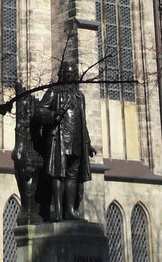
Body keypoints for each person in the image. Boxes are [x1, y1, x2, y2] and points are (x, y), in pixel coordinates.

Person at [40, 60, 96, 221]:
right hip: (59, 140)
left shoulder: (79, 96)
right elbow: (40, 112)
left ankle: (70, 210)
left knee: (72, 175)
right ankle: (57, 209)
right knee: (58, 173)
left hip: (76, 141)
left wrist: (88, 143)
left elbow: (82, 121)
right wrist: (53, 115)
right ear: (61, 74)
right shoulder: (53, 93)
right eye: (67, 73)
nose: (70, 76)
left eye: (72, 73)